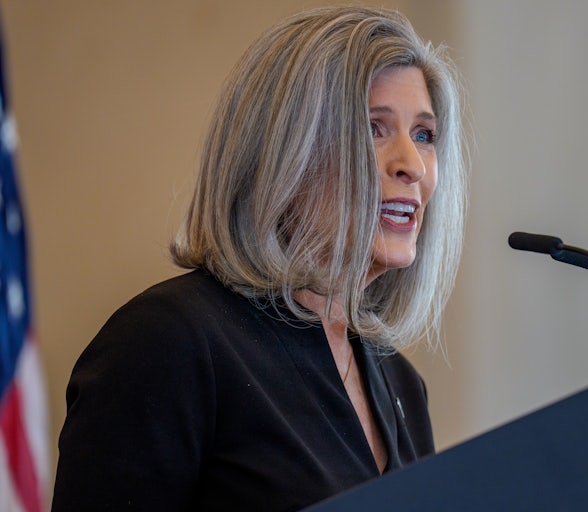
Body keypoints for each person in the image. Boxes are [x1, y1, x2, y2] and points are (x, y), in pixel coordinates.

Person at [51, 5, 468, 511]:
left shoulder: (402, 384)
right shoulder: (168, 343)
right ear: (284, 152)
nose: (412, 165)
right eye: (373, 128)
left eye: (423, 134)